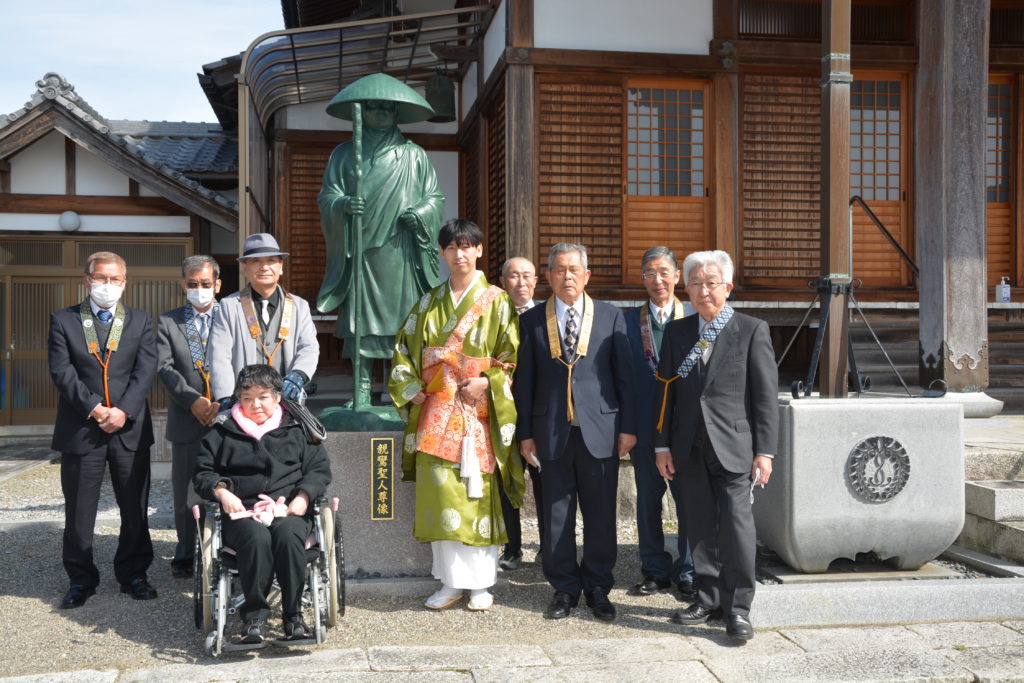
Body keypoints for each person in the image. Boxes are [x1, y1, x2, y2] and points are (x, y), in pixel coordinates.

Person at [389, 219, 521, 612]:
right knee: (440, 494)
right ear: (442, 253)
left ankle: (480, 584)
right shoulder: (428, 302)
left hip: (477, 414)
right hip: (436, 411)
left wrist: (487, 382)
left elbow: (512, 358)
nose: (459, 254)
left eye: (466, 246)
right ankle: (449, 582)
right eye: (451, 247)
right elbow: (403, 352)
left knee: (475, 493)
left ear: (479, 250)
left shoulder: (497, 301)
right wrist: (410, 387)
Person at [654, 249, 778, 643]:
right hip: (688, 445)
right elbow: (665, 395)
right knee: (699, 526)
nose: (703, 291)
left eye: (711, 283)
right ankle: (707, 598)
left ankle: (738, 608)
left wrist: (765, 452)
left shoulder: (752, 329)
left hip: (735, 446)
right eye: (696, 283)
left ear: (727, 286)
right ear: (686, 289)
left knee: (738, 528)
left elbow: (765, 397)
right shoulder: (677, 332)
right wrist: (662, 445)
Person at [514, 243, 636, 622]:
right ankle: (564, 587)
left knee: (601, 514)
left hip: (601, 429)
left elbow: (625, 377)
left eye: (574, 270)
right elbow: (524, 383)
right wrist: (524, 434)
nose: (567, 276)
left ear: (586, 275)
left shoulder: (611, 316)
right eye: (559, 270)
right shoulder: (533, 321)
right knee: (556, 515)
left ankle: (598, 586)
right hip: (550, 430)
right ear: (548, 277)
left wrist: (628, 428)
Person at [318, 74, 445, 406]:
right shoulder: (344, 154)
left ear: (397, 113)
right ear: (362, 112)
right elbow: (327, 196)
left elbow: (434, 197)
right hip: (361, 252)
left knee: (402, 323)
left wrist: (420, 213)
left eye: (387, 108)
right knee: (361, 323)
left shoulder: (414, 155)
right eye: (374, 107)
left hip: (400, 251)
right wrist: (343, 205)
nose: (381, 113)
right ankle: (361, 388)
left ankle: (402, 388)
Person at [48, 251, 158, 608]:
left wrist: (123, 410)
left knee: (134, 508)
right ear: (87, 280)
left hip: (129, 429)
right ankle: (81, 579)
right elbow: (62, 372)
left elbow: (145, 370)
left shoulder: (140, 320)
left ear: (124, 283)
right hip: (82, 428)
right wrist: (95, 409)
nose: (107, 285)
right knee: (80, 512)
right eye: (100, 278)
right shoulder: (63, 320)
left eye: (114, 279)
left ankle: (134, 574)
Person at [194, 364, 332, 644]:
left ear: (278, 397)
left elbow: (318, 470)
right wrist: (222, 492)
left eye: (263, 397)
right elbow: (202, 473)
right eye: (247, 398)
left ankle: (293, 615)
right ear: (238, 399)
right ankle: (253, 619)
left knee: (288, 535)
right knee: (256, 538)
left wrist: (303, 497)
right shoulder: (222, 432)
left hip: (288, 507)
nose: (255, 404)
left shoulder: (297, 428)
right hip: (242, 510)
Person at [624, 246, 696, 599]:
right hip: (644, 426)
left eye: (664, 272)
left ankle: (689, 569)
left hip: (685, 428)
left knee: (688, 500)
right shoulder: (627, 321)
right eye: (650, 273)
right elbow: (620, 379)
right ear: (643, 278)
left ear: (677, 276)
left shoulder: (695, 318)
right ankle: (654, 569)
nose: (658, 280)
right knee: (647, 501)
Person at [156, 255, 222, 579]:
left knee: (229, 487)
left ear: (217, 285)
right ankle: (185, 554)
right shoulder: (169, 322)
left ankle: (227, 550)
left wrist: (223, 403)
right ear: (183, 285)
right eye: (193, 284)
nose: (199, 289)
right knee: (186, 493)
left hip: (227, 417)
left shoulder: (233, 316)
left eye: (205, 284)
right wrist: (192, 401)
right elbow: (164, 368)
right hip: (187, 419)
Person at [207, 233, 319, 406]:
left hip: (287, 402)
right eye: (256, 261)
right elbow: (219, 356)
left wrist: (299, 374)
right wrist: (226, 397)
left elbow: (309, 347)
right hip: (244, 403)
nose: (264, 267)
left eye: (271, 261)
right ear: (245, 268)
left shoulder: (299, 306)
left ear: (281, 267)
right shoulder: (229, 306)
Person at [495, 256, 544, 571]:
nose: (521, 282)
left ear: (536, 281)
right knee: (506, 482)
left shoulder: (546, 317)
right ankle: (512, 548)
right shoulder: (493, 318)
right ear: (502, 282)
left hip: (540, 412)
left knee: (545, 483)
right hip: (503, 413)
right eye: (514, 276)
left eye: (527, 275)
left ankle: (548, 547)